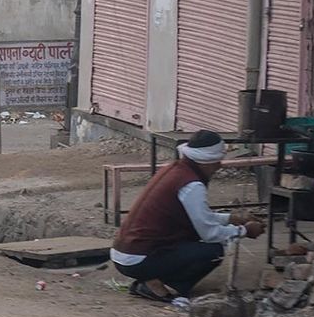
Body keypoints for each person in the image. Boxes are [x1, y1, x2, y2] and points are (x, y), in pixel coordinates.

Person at [110, 130, 265, 305]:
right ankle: (166, 287)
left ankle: (150, 280)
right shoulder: (192, 185)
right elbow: (209, 233)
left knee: (201, 245)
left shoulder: (174, 169)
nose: (218, 166)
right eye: (216, 162)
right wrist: (244, 231)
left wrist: (231, 218)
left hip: (125, 253)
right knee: (213, 251)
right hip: (138, 258)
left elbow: (199, 217)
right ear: (206, 162)